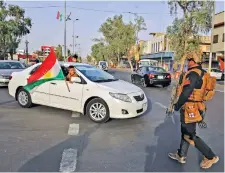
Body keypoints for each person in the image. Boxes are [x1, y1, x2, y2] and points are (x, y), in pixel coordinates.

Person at [168, 53, 219, 169]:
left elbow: (186, 92)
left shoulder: (193, 74)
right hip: (198, 107)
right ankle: (181, 155)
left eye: (188, 60)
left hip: (190, 108)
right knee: (185, 132)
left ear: (193, 61)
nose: (187, 63)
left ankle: (210, 156)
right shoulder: (203, 73)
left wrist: (177, 105)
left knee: (190, 135)